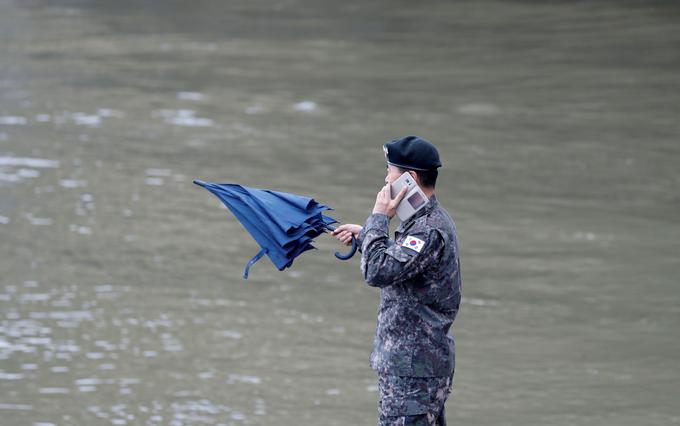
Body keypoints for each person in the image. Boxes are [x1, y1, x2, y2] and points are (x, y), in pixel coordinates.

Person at [332, 135, 462, 426]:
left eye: (389, 171)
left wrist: (379, 217)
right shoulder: (425, 222)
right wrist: (367, 235)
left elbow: (377, 271)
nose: (385, 179)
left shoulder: (427, 230)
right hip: (418, 367)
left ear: (409, 178)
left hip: (412, 372)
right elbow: (402, 263)